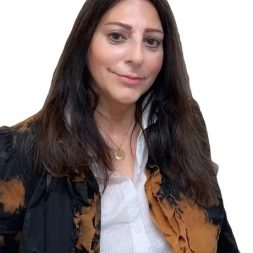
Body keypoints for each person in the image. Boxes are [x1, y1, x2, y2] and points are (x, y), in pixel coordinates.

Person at [0, 0, 239, 252]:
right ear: (85, 41)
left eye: (152, 42)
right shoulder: (17, 153)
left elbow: (220, 236)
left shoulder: (184, 125)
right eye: (117, 36)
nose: (137, 56)